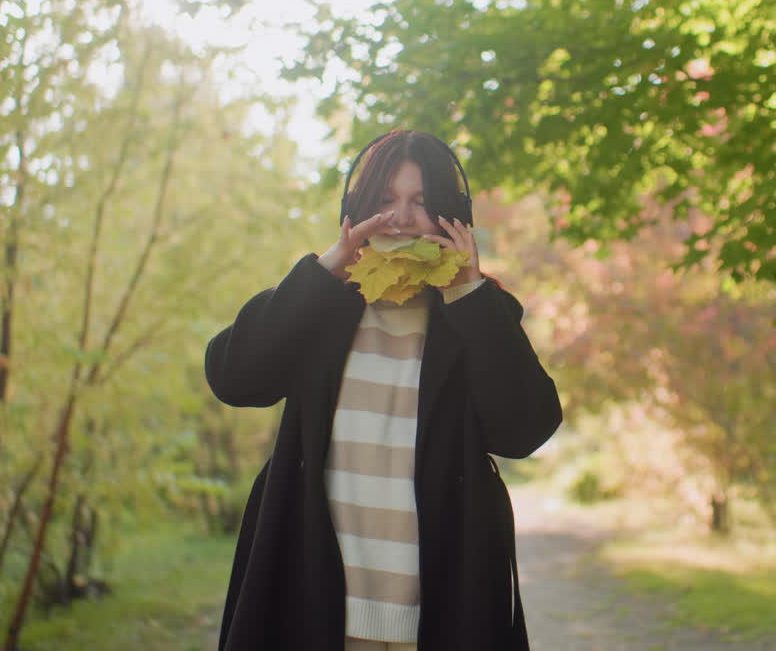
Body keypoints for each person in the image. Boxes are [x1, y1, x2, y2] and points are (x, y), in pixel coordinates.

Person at [205, 129, 562, 651]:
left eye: (420, 201)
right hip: (314, 605)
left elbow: (524, 430)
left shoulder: (473, 312)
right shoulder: (320, 304)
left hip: (440, 611)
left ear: (451, 215)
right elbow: (234, 378)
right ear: (356, 212)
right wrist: (324, 273)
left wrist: (467, 291)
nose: (401, 217)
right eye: (384, 200)